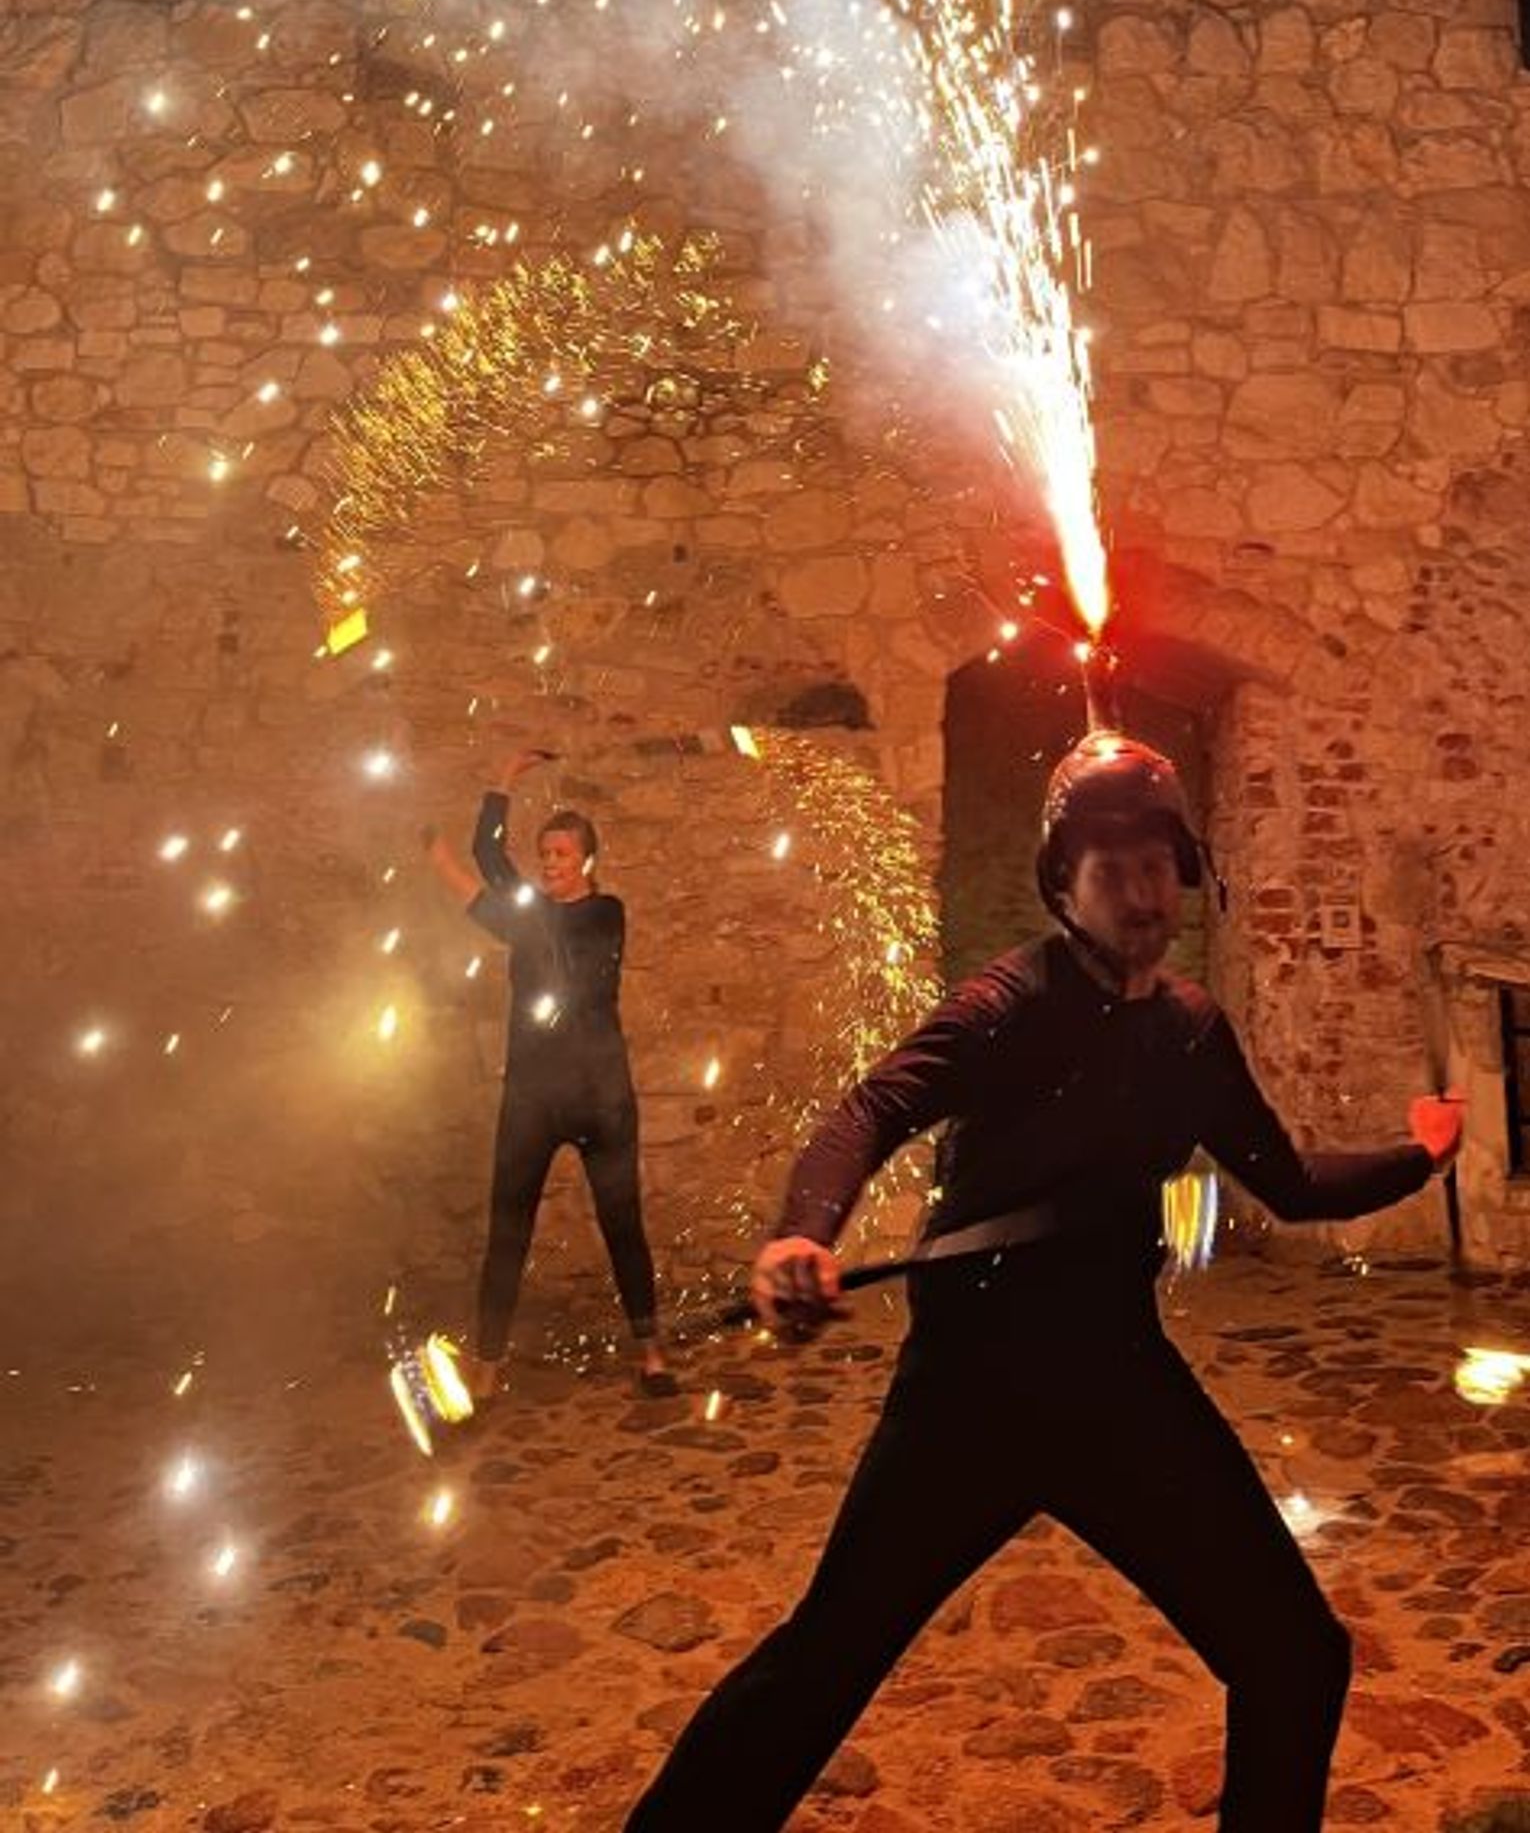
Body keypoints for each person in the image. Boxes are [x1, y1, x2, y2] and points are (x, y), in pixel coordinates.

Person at [624, 727, 1464, 1833]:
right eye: (1112, 867)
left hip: (1117, 1386)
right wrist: (801, 1233)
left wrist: (1419, 1153)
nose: (1142, 892)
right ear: (1064, 883)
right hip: (968, 1396)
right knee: (824, 1659)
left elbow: (1290, 1182)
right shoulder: (1006, 1004)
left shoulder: (1191, 1032)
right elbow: (872, 1108)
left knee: (1295, 1654)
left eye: (1157, 864)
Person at [428, 745, 677, 1399]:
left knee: (622, 1222)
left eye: (561, 853)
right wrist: (501, 779)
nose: (549, 862)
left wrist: (469, 865)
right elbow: (484, 869)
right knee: (507, 1230)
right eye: (544, 853)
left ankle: (652, 1354)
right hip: (532, 1100)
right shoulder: (529, 922)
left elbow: (497, 884)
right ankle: (487, 1365)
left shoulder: (605, 913)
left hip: (600, 1097)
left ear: (587, 861)